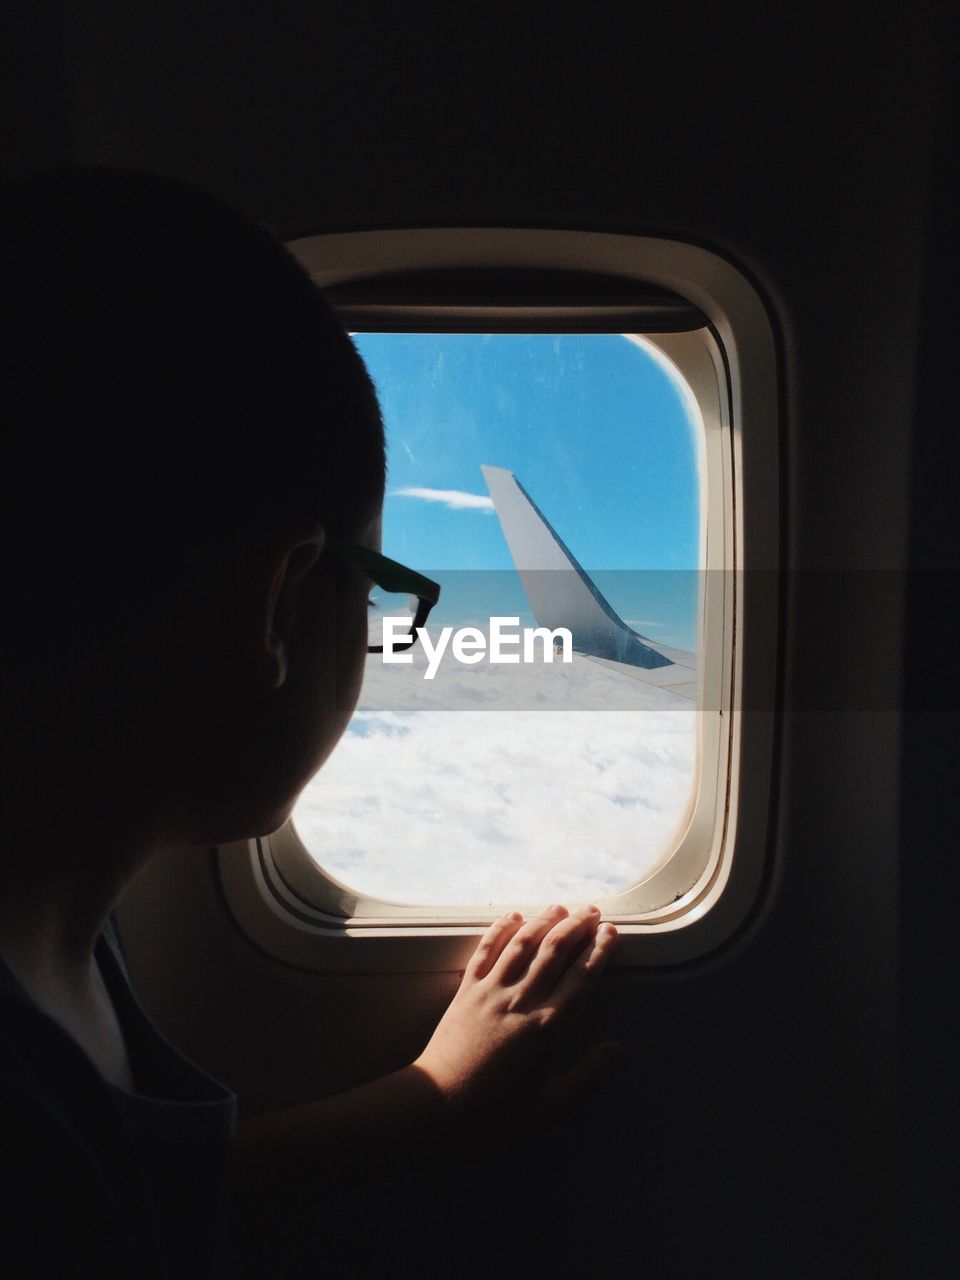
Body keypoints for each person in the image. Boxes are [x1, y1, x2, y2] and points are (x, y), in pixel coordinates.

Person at [0, 167, 621, 1277]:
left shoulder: (56, 905)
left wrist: (421, 1106)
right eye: (380, 587)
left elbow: (124, 1183)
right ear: (274, 602)